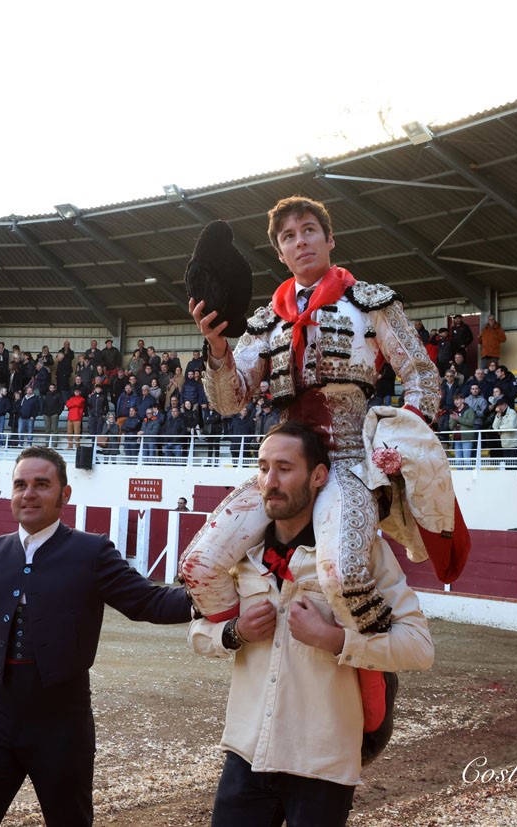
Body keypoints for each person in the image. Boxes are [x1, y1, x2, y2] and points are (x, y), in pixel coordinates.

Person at [190, 196, 446, 636]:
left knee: (344, 578)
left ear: (329, 239)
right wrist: (217, 350)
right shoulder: (266, 322)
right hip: (285, 464)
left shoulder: (370, 302)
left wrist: (398, 441)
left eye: (308, 230)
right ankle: (256, 646)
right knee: (199, 567)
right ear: (280, 252)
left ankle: (368, 671)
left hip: (347, 460)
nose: (300, 241)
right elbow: (230, 402)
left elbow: (421, 374)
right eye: (288, 236)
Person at [0, 446, 192, 826]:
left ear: (64, 495)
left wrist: (205, 599)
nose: (28, 494)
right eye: (20, 485)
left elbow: (147, 601)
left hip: (62, 723)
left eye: (41, 484)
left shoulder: (91, 552)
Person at [190, 421, 432, 826]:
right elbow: (198, 634)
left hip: (321, 762)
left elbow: (419, 648)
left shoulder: (364, 553)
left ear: (318, 476)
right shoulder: (241, 556)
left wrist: (334, 639)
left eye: (285, 468)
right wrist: (236, 633)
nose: (270, 480)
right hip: (247, 754)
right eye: (263, 467)